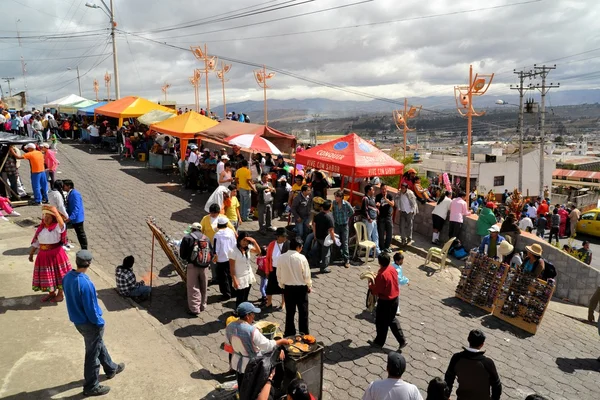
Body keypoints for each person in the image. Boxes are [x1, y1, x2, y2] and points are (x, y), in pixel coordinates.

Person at [63, 250, 125, 397]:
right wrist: (99, 322)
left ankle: (111, 368)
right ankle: (91, 386)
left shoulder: (67, 277)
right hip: (89, 323)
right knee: (92, 354)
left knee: (97, 345)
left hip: (78, 321)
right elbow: (90, 308)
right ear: (89, 264)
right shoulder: (85, 283)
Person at [224, 302, 292, 391]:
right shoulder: (252, 330)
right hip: (252, 364)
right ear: (247, 316)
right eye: (253, 314)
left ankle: (242, 394)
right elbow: (267, 345)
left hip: (237, 362)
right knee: (252, 386)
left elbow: (228, 345)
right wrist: (281, 341)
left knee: (242, 383)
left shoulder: (229, 326)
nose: (254, 317)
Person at [28, 206, 71, 302]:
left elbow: (62, 226)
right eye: (45, 216)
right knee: (48, 275)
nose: (46, 219)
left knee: (58, 275)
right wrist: (31, 254)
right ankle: (51, 293)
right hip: (43, 256)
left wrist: (56, 213)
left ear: (54, 218)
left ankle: (60, 295)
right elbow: (37, 242)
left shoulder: (56, 227)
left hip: (56, 255)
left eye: (49, 217)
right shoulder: (40, 228)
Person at [444, 329, 502, 400]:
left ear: (468, 339)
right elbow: (497, 386)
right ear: (482, 344)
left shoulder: (456, 358)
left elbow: (448, 379)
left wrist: (446, 396)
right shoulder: (488, 363)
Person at [368, 254, 407, 350]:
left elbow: (376, 290)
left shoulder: (382, 275)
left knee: (381, 322)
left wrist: (370, 284)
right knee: (392, 320)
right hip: (395, 299)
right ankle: (402, 340)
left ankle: (379, 342)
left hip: (386, 302)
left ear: (379, 262)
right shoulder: (392, 269)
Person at [278, 237, 312, 336]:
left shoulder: (282, 257)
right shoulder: (302, 258)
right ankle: (304, 334)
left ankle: (289, 333)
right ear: (298, 247)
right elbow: (306, 275)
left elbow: (278, 274)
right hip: (301, 289)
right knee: (303, 313)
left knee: (290, 312)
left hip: (288, 288)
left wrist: (281, 285)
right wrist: (309, 285)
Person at [229, 232, 261, 307]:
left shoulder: (248, 248)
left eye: (247, 241)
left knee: (245, 296)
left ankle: (244, 313)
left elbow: (258, 252)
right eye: (243, 240)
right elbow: (232, 267)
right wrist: (234, 280)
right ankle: (238, 312)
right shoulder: (233, 251)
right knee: (240, 297)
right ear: (239, 240)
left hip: (248, 275)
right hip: (240, 277)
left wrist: (254, 242)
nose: (245, 243)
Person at [265, 227, 290, 309]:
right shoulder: (272, 244)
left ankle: (283, 303)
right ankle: (269, 302)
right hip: (273, 269)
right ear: (278, 237)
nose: (284, 238)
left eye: (285, 236)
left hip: (284, 270)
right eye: (282, 236)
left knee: (283, 288)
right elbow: (268, 258)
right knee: (270, 287)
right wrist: (267, 270)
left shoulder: (288, 244)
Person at [213, 217, 238, 299]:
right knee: (231, 275)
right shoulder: (231, 232)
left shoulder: (217, 235)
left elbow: (216, 248)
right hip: (231, 257)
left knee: (223, 277)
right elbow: (235, 243)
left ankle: (226, 294)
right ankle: (233, 291)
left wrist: (215, 257)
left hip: (221, 259)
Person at [311, 199, 335, 274]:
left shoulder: (317, 215)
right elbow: (331, 230)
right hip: (325, 239)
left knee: (318, 250)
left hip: (318, 237)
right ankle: (324, 268)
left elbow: (314, 225)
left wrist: (315, 235)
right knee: (326, 253)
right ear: (329, 207)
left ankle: (315, 262)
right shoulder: (329, 218)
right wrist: (334, 239)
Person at [333, 189, 355, 268]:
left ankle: (346, 260)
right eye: (335, 196)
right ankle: (336, 256)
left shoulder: (346, 204)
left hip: (344, 225)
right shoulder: (334, 203)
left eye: (337, 197)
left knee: (345, 242)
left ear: (341, 197)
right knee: (336, 240)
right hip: (337, 225)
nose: (335, 198)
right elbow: (333, 212)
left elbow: (352, 212)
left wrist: (347, 218)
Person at [64, 179, 87, 250]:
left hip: (77, 218)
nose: (63, 187)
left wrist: (70, 218)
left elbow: (76, 208)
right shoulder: (70, 193)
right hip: (73, 218)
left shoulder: (75, 194)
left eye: (64, 186)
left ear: (69, 186)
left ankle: (84, 249)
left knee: (80, 234)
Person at [376, 184, 396, 253]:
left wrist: (386, 200)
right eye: (382, 189)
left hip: (388, 217)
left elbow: (393, 204)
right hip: (381, 217)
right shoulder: (378, 196)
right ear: (380, 189)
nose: (383, 191)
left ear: (386, 189)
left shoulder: (390, 196)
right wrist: (377, 205)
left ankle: (387, 246)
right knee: (381, 233)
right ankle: (382, 247)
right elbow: (377, 204)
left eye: (384, 189)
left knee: (389, 232)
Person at [362, 185, 381, 254]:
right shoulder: (365, 199)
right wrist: (369, 218)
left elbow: (372, 207)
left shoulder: (372, 198)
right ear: (368, 191)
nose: (373, 191)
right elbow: (364, 210)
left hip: (374, 220)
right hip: (369, 221)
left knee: (375, 235)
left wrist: (377, 208)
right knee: (369, 236)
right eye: (372, 190)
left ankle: (377, 251)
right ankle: (369, 251)